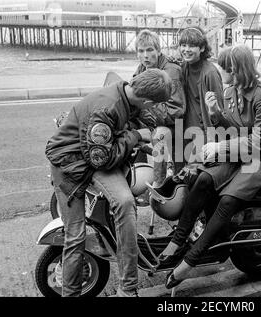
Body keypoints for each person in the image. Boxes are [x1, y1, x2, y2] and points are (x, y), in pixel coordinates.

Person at [159, 44, 261, 288]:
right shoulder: (230, 93)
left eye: (224, 68)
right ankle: (178, 240)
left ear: (236, 70)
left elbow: (258, 142)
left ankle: (190, 261)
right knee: (204, 179)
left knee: (228, 200)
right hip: (240, 152)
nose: (220, 71)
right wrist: (216, 112)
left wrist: (220, 149)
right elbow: (232, 130)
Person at [45, 69, 172, 297]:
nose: (152, 109)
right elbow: (102, 159)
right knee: (76, 236)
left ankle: (128, 288)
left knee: (125, 203)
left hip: (94, 157)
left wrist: (149, 132)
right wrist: (136, 136)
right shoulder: (107, 108)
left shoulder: (127, 92)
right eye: (153, 105)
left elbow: (148, 122)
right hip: (70, 164)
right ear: (147, 100)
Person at [132, 29, 186, 185]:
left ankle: (159, 183)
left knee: (159, 137)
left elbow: (176, 110)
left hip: (173, 124)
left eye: (150, 50)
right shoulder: (143, 68)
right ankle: (134, 176)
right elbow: (133, 90)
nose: (145, 55)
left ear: (158, 50)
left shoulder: (171, 71)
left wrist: (147, 106)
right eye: (141, 51)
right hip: (153, 119)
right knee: (126, 129)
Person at [178, 26, 224, 164]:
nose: (186, 49)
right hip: (186, 128)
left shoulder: (210, 73)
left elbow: (219, 110)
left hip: (204, 132)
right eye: (183, 45)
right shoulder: (184, 67)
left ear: (202, 48)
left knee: (197, 172)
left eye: (191, 46)